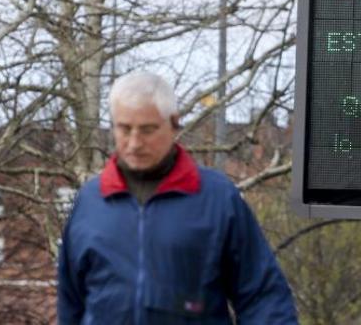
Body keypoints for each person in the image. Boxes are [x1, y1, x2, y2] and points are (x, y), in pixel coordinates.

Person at [57, 71, 298, 324]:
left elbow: (262, 297)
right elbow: (71, 301)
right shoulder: (90, 202)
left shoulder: (217, 199)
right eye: (124, 129)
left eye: (147, 130)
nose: (134, 142)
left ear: (174, 123)